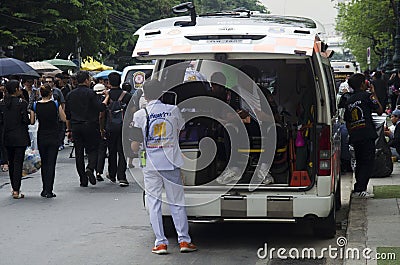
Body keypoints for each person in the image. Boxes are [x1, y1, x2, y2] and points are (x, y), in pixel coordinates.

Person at [132, 79, 197, 254]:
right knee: (177, 202)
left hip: (150, 165)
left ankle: (160, 243)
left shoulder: (140, 115)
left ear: (144, 94)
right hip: (171, 163)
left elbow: (135, 145)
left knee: (154, 203)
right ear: (162, 93)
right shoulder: (173, 110)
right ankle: (184, 241)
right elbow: (180, 131)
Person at [65, 71, 109, 187]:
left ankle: (82, 179)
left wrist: (68, 130)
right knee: (93, 149)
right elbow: (100, 107)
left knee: (79, 152)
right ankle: (90, 167)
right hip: (90, 125)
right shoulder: (91, 94)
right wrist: (106, 98)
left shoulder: (70, 95)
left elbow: (67, 114)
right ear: (86, 80)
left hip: (76, 126)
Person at [344, 73, 383, 198]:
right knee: (367, 162)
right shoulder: (367, 96)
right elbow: (379, 110)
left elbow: (348, 122)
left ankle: (358, 188)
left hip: (356, 136)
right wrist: (373, 93)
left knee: (360, 162)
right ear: (362, 84)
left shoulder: (349, 100)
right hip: (367, 134)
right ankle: (360, 189)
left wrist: (352, 135)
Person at [30, 83, 67, 198]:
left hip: (41, 135)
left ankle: (44, 188)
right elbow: (63, 118)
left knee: (44, 163)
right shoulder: (56, 104)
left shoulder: (35, 105)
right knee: (51, 163)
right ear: (51, 93)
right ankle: (49, 189)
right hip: (53, 135)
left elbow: (32, 121)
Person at [0, 80, 31, 199]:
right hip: (20, 137)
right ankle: (16, 189)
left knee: (11, 162)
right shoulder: (21, 103)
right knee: (18, 163)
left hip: (6, 137)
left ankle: (14, 188)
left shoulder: (2, 103)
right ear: (16, 89)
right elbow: (26, 121)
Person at [104, 72, 132, 186]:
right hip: (124, 127)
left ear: (109, 82)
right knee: (122, 151)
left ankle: (112, 174)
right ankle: (122, 176)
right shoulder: (127, 96)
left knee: (112, 151)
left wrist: (102, 128)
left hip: (110, 127)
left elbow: (102, 113)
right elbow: (132, 111)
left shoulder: (106, 95)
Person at [93, 83, 107, 181]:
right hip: (102, 127)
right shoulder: (104, 100)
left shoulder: (91, 99)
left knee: (93, 150)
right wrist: (102, 129)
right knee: (102, 150)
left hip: (91, 127)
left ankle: (92, 168)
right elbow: (101, 115)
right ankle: (99, 171)